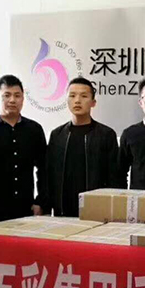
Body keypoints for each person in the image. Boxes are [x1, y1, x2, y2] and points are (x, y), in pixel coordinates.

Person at [46, 77, 122, 217]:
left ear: (93, 102)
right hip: (62, 210)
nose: (77, 100)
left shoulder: (106, 134)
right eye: (72, 95)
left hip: (96, 210)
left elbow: (114, 177)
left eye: (84, 96)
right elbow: (49, 174)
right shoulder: (57, 135)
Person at [0, 75, 47, 223]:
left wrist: (41, 201)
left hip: (27, 207)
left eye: (17, 95)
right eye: (6, 95)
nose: (12, 100)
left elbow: (44, 169)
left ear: (23, 99)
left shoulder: (34, 129)